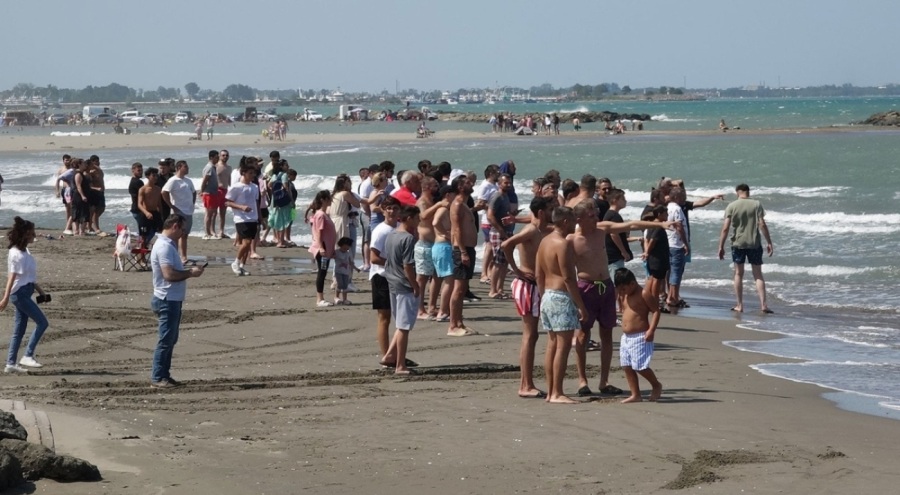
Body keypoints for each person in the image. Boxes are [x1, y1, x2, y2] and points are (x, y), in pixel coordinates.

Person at [501, 197, 554, 399]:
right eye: (550, 208)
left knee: (532, 335)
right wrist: (516, 270)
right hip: (527, 286)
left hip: (536, 286)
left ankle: (528, 382)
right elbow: (507, 245)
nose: (553, 211)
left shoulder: (543, 229)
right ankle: (525, 384)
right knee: (530, 335)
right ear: (541, 212)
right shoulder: (531, 230)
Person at [535, 206, 586, 404]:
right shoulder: (562, 244)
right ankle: (557, 392)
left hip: (547, 295)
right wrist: (580, 305)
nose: (575, 224)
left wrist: (542, 297)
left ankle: (551, 392)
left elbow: (539, 274)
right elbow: (568, 278)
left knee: (552, 344)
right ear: (565, 222)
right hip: (560, 297)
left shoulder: (544, 241)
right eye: (573, 220)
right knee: (563, 347)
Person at [149, 214, 205, 388]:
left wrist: (188, 270)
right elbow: (169, 275)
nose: (183, 233)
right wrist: (190, 273)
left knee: (170, 339)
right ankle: (158, 377)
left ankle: (163, 374)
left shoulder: (168, 245)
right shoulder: (164, 246)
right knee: (166, 340)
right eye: (182, 229)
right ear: (174, 226)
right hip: (167, 298)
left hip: (170, 298)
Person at [1, 217, 50, 373]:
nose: (34, 235)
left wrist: (41, 292)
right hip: (19, 294)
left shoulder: (25, 251)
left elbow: (29, 278)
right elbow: (12, 277)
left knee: (19, 330)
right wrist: (5, 298)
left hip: (26, 291)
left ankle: (10, 363)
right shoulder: (16, 254)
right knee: (42, 323)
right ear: (25, 234)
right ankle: (27, 355)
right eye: (32, 233)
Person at [717, 184, 774, 313]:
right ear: (748, 192)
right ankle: (763, 305)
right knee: (758, 274)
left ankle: (740, 305)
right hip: (754, 243)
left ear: (737, 192)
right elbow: (762, 224)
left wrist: (721, 245)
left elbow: (726, 227)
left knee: (738, 274)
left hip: (738, 243)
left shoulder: (732, 206)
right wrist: (769, 242)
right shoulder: (756, 204)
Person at [379, 205, 422, 375]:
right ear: (409, 218)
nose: (419, 222)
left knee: (400, 324)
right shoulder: (407, 238)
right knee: (404, 326)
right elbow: (408, 266)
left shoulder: (391, 235)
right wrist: (415, 285)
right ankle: (400, 365)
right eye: (417, 219)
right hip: (404, 285)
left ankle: (390, 356)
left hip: (392, 283)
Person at [614, 268, 663, 403]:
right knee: (626, 366)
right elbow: (625, 311)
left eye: (624, 289)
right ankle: (636, 394)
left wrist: (651, 330)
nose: (622, 292)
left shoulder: (644, 293)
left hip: (640, 336)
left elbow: (656, 311)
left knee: (640, 366)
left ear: (632, 284)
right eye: (620, 290)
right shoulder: (624, 295)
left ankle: (656, 385)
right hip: (626, 337)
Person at [369, 196, 401, 360]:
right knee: (384, 318)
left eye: (395, 208)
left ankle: (392, 353)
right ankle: (386, 354)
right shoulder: (380, 230)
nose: (391, 211)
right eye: (388, 208)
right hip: (381, 276)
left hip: (394, 277)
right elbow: (373, 258)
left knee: (397, 317)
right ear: (383, 210)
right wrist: (393, 263)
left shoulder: (399, 228)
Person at [448, 174, 478, 337]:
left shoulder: (464, 205)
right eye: (467, 183)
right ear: (460, 187)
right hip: (462, 250)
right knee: (458, 289)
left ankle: (459, 322)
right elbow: (457, 230)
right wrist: (463, 252)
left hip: (468, 248)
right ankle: (453, 325)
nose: (471, 184)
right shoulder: (457, 204)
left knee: (463, 287)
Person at [224, 161, 260, 277]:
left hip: (253, 218)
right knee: (246, 242)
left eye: (253, 173)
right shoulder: (236, 187)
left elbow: (256, 202)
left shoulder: (254, 187)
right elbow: (227, 202)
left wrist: (260, 217)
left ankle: (241, 267)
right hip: (241, 218)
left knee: (248, 244)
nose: (252, 175)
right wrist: (241, 207)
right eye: (250, 173)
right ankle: (235, 262)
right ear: (243, 173)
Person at [161, 160, 197, 263]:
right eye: (185, 167)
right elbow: (164, 192)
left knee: (185, 234)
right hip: (178, 210)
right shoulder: (173, 180)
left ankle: (184, 257)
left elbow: (193, 192)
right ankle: (175, 256)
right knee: (176, 234)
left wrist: (192, 203)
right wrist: (171, 205)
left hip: (188, 211)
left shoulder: (188, 180)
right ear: (179, 168)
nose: (187, 168)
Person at [306, 190, 337, 307]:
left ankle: (321, 298)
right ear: (323, 200)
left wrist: (331, 249)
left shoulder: (323, 214)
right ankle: (320, 299)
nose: (331, 200)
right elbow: (318, 232)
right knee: (322, 272)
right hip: (321, 248)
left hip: (326, 248)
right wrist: (321, 247)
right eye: (329, 198)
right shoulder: (320, 215)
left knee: (323, 272)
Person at [137, 167, 163, 255]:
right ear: (148, 176)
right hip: (145, 214)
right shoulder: (143, 189)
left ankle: (152, 251)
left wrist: (161, 215)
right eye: (153, 175)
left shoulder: (158, 189)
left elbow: (159, 203)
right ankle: (141, 257)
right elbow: (139, 204)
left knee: (159, 233)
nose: (155, 177)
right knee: (143, 237)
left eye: (156, 175)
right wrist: (146, 213)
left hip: (155, 213)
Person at [333, 237, 359, 305]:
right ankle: (336, 297)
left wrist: (356, 268)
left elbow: (351, 263)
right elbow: (331, 256)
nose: (345, 250)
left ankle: (345, 299)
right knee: (339, 284)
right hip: (338, 271)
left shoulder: (348, 253)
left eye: (347, 249)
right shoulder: (336, 252)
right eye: (344, 248)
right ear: (340, 245)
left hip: (346, 272)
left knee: (345, 286)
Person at [200, 150, 220, 240]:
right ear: (211, 157)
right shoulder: (209, 167)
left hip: (213, 193)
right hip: (209, 193)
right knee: (208, 213)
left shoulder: (213, 167)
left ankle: (211, 231)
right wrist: (202, 191)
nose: (218, 159)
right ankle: (206, 232)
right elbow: (205, 180)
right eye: (216, 157)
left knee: (214, 213)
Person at [215, 150, 233, 239]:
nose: (225, 157)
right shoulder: (216, 166)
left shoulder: (229, 167)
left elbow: (229, 181)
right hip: (217, 190)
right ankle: (211, 231)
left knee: (223, 213)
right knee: (213, 212)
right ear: (219, 156)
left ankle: (221, 231)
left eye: (226, 155)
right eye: (223, 155)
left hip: (225, 191)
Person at [128, 162, 145, 231]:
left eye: (141, 170)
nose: (141, 172)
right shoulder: (138, 182)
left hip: (136, 208)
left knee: (142, 228)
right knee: (144, 228)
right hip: (138, 209)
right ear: (133, 170)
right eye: (138, 171)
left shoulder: (133, 181)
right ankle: (142, 240)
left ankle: (142, 239)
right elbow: (144, 195)